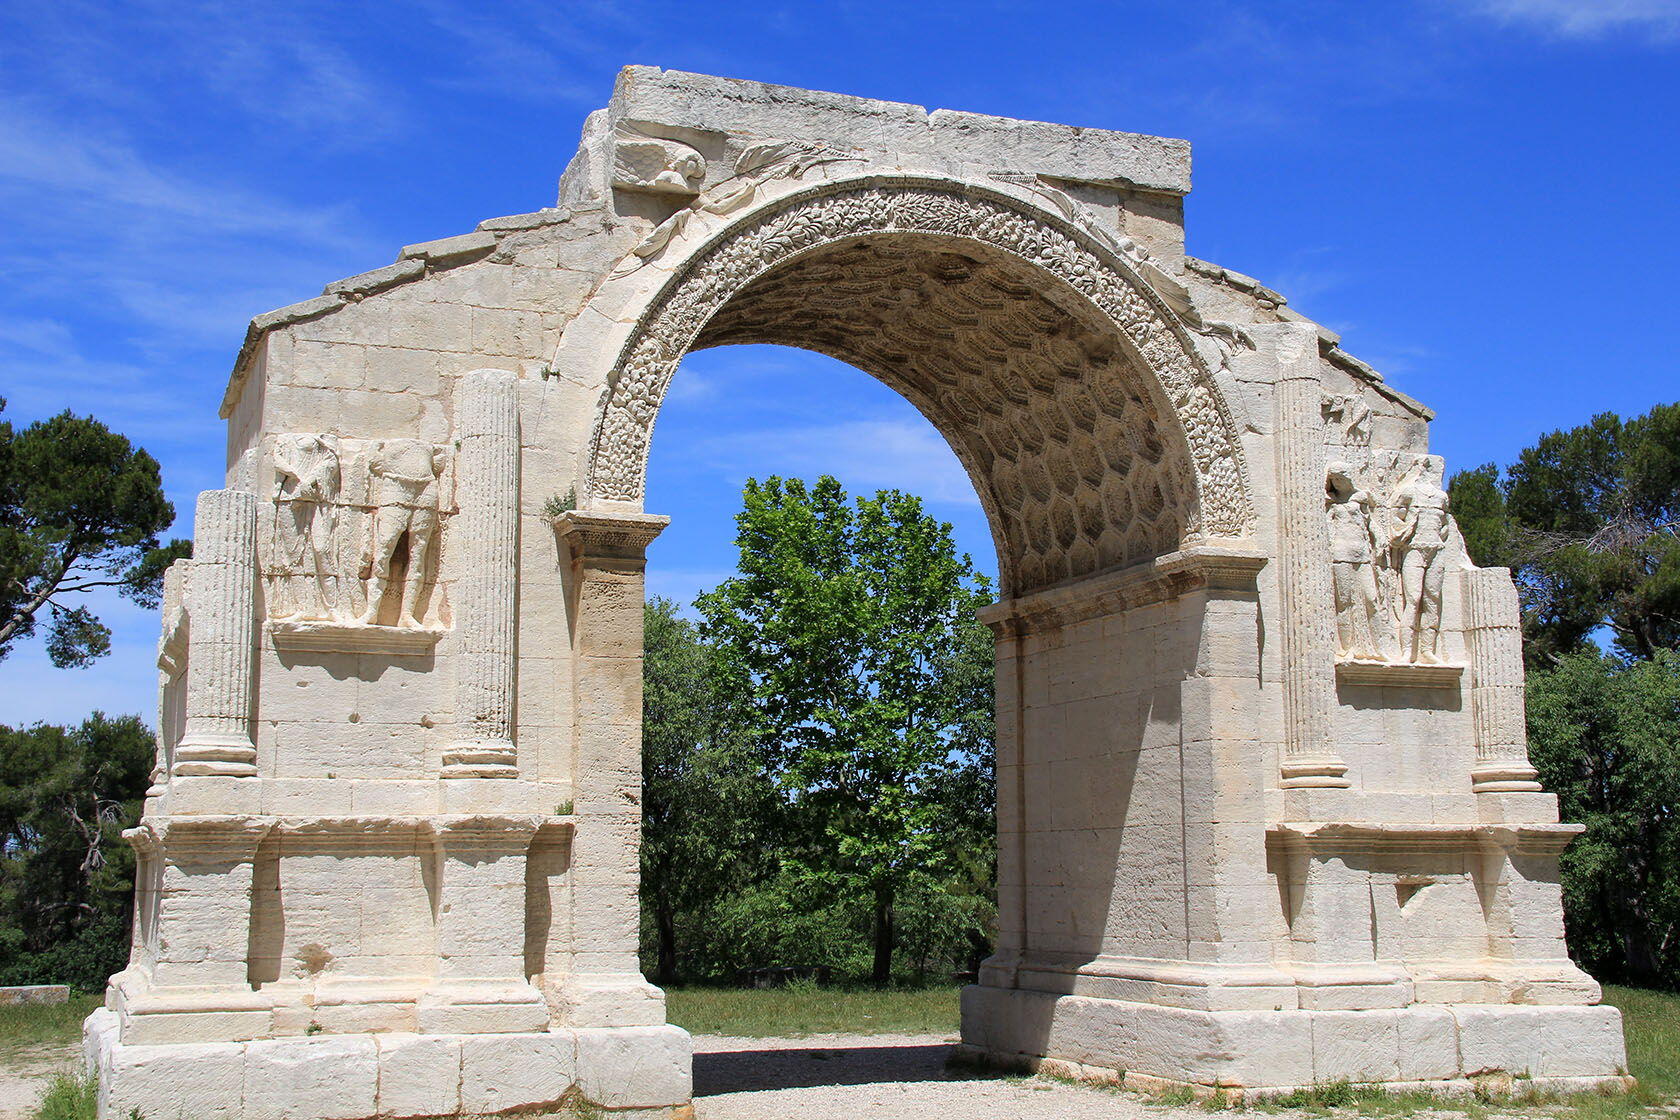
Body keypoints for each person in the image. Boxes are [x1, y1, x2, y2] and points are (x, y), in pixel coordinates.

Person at [359, 439, 445, 627]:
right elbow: (376, 462)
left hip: (426, 489)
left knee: (418, 553)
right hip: (395, 485)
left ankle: (407, 614)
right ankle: (372, 611)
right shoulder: (386, 446)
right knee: (384, 549)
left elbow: (439, 462)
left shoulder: (432, 448)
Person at [272, 433, 342, 620]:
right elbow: (277, 460)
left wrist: (309, 479)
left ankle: (333, 608)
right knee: (293, 555)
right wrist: (296, 476)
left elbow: (331, 460)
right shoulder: (284, 441)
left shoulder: (322, 441)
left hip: (317, 496)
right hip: (289, 496)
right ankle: (302, 608)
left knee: (322, 550)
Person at [1390, 459, 1451, 664]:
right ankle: (1407, 650)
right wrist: (1405, 532)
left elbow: (1445, 525)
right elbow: (1395, 516)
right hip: (1414, 549)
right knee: (1413, 599)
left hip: (1436, 550)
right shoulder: (1408, 492)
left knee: (1432, 599)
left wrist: (1439, 537)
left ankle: (1427, 650)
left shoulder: (1442, 497)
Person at [1326, 463, 1387, 661]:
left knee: (1372, 599)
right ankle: (1346, 648)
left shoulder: (1361, 498)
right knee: (1344, 602)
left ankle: (1380, 647)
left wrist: (1379, 538)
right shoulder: (1332, 502)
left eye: (1340, 478)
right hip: (1340, 553)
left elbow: (1369, 523)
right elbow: (1327, 529)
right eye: (1334, 479)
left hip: (1362, 554)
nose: (1338, 482)